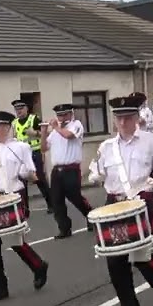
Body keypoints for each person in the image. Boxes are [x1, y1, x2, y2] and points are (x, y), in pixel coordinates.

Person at [87, 94, 153, 306]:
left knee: (140, 252)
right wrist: (94, 176)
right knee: (115, 259)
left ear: (137, 117)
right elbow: (97, 173)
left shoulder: (151, 141)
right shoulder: (106, 147)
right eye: (119, 118)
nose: (123, 122)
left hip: (141, 198)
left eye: (128, 117)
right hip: (114, 202)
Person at [0, 111, 50, 301]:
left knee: (15, 239)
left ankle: (38, 265)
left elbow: (30, 170)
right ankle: (0, 286)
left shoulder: (21, 147)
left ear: (6, 127)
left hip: (14, 195)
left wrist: (25, 172)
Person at [43, 102, 95, 238]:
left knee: (75, 196)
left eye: (64, 115)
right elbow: (44, 148)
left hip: (71, 168)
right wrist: (43, 133)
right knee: (56, 200)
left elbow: (68, 136)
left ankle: (91, 216)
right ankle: (64, 228)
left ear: (71, 114)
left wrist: (55, 127)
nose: (61, 118)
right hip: (56, 170)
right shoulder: (55, 131)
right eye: (59, 116)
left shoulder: (76, 125)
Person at [10, 99, 54, 211]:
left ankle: (51, 204)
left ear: (26, 109)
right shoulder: (14, 123)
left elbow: (47, 134)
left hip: (34, 152)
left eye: (21, 109)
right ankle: (25, 208)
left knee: (39, 179)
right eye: (16, 109)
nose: (18, 111)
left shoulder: (33, 119)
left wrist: (35, 133)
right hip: (21, 155)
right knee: (22, 182)